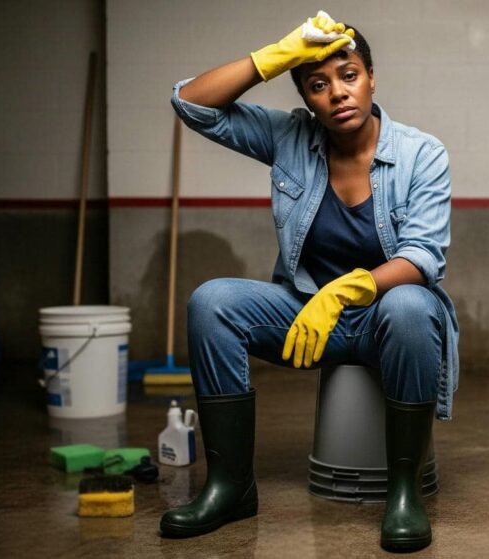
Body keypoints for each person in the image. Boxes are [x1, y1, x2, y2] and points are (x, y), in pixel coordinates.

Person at [160, 12, 459, 553]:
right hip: (306, 317)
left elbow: (422, 256)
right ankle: (231, 487)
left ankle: (403, 493)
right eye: (318, 84)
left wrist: (343, 291)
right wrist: (277, 54)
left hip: (388, 320)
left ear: (371, 78)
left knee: (412, 305)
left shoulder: (422, 153)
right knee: (212, 302)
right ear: (305, 97)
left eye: (349, 75)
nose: (337, 93)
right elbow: (192, 103)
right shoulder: (290, 137)